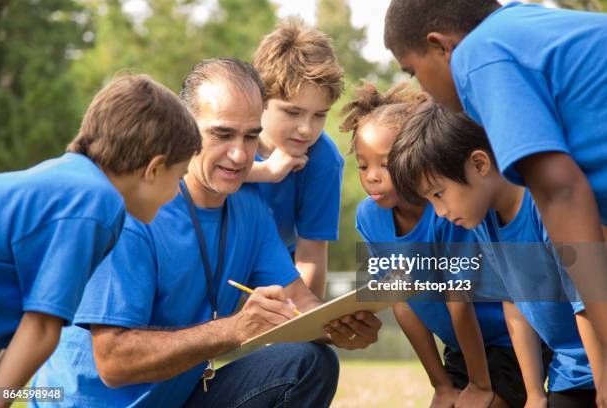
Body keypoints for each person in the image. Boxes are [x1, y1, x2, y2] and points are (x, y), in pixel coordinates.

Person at [30, 58, 381, 408]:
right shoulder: (134, 207)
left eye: (250, 136)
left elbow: (299, 302)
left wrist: (339, 327)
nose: (239, 154)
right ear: (185, 128)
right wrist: (233, 328)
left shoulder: (250, 209)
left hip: (180, 398)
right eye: (222, 134)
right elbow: (113, 361)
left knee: (309, 362)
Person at [383, 2, 607, 404]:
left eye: (413, 72)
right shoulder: (517, 36)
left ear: (441, 47)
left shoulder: (480, 55)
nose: (421, 90)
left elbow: (563, 192)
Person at [0, 74, 199, 399]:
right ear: (154, 168)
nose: (178, 192)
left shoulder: (69, 181)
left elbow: (23, 331)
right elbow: (42, 327)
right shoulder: (97, 203)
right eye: (179, 177)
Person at [343, 82, 526, 407]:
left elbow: (461, 300)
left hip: (508, 342)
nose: (372, 175)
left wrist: (480, 385)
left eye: (384, 164)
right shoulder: (369, 218)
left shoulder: (449, 211)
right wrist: (441, 385)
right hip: (460, 350)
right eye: (362, 165)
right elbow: (401, 301)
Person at [246, 20, 345, 298]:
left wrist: (302, 326)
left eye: (319, 115)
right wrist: (266, 172)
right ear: (260, 99)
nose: (306, 128)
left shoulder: (323, 159)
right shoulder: (230, 132)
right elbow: (195, 168)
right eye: (292, 112)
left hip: (281, 275)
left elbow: (311, 255)